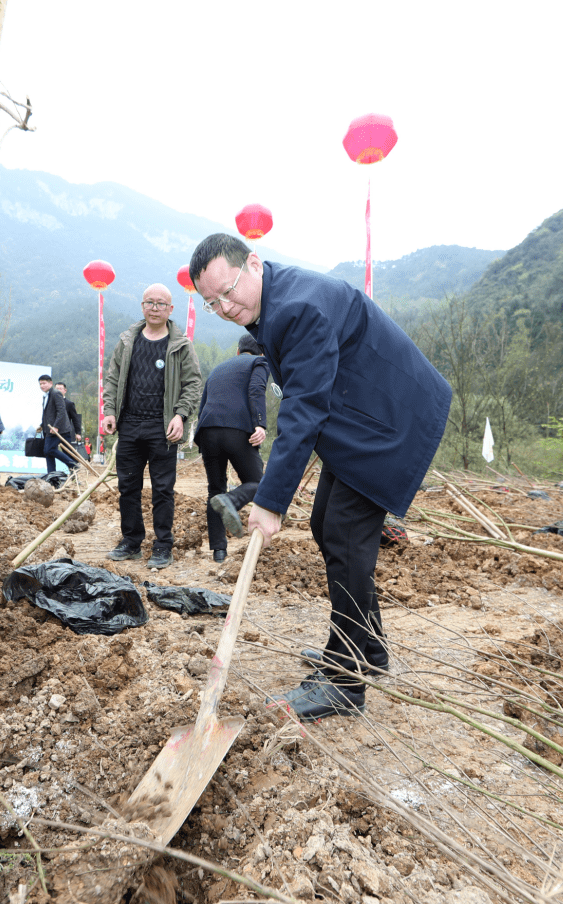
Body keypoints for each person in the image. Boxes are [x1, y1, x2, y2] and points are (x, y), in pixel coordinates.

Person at [189, 234, 452, 721]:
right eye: (211, 303)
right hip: (360, 421)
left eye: (228, 291)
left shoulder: (299, 308)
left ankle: (345, 679)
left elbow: (302, 409)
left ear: (253, 263)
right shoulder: (274, 304)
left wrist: (268, 502)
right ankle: (366, 647)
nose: (224, 307)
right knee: (325, 522)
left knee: (345, 534)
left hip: (389, 423)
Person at [102, 283, 202, 569]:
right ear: (142, 306)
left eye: (161, 304)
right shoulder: (127, 341)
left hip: (163, 429)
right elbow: (112, 378)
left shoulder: (180, 345)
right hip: (130, 425)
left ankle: (162, 546)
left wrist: (180, 415)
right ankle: (131, 542)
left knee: (162, 489)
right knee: (128, 487)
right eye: (150, 302)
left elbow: (193, 383)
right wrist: (110, 411)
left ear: (171, 309)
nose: (155, 308)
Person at [195, 333, 270, 563]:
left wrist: (201, 438)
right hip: (236, 429)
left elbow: (204, 401)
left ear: (238, 352)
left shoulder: (219, 368)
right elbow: (256, 389)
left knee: (215, 490)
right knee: (261, 485)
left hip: (207, 430)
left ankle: (219, 551)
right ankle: (233, 501)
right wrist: (260, 423)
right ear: (262, 352)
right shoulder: (260, 362)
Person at [37, 375, 77, 474]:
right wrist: (42, 425)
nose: (42, 386)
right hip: (48, 429)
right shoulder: (46, 395)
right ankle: (52, 476)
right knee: (48, 452)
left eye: (44, 383)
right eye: (40, 384)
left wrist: (56, 426)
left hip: (58, 429)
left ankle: (73, 465)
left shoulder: (56, 393)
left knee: (49, 449)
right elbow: (48, 414)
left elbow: (61, 411)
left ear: (50, 383)